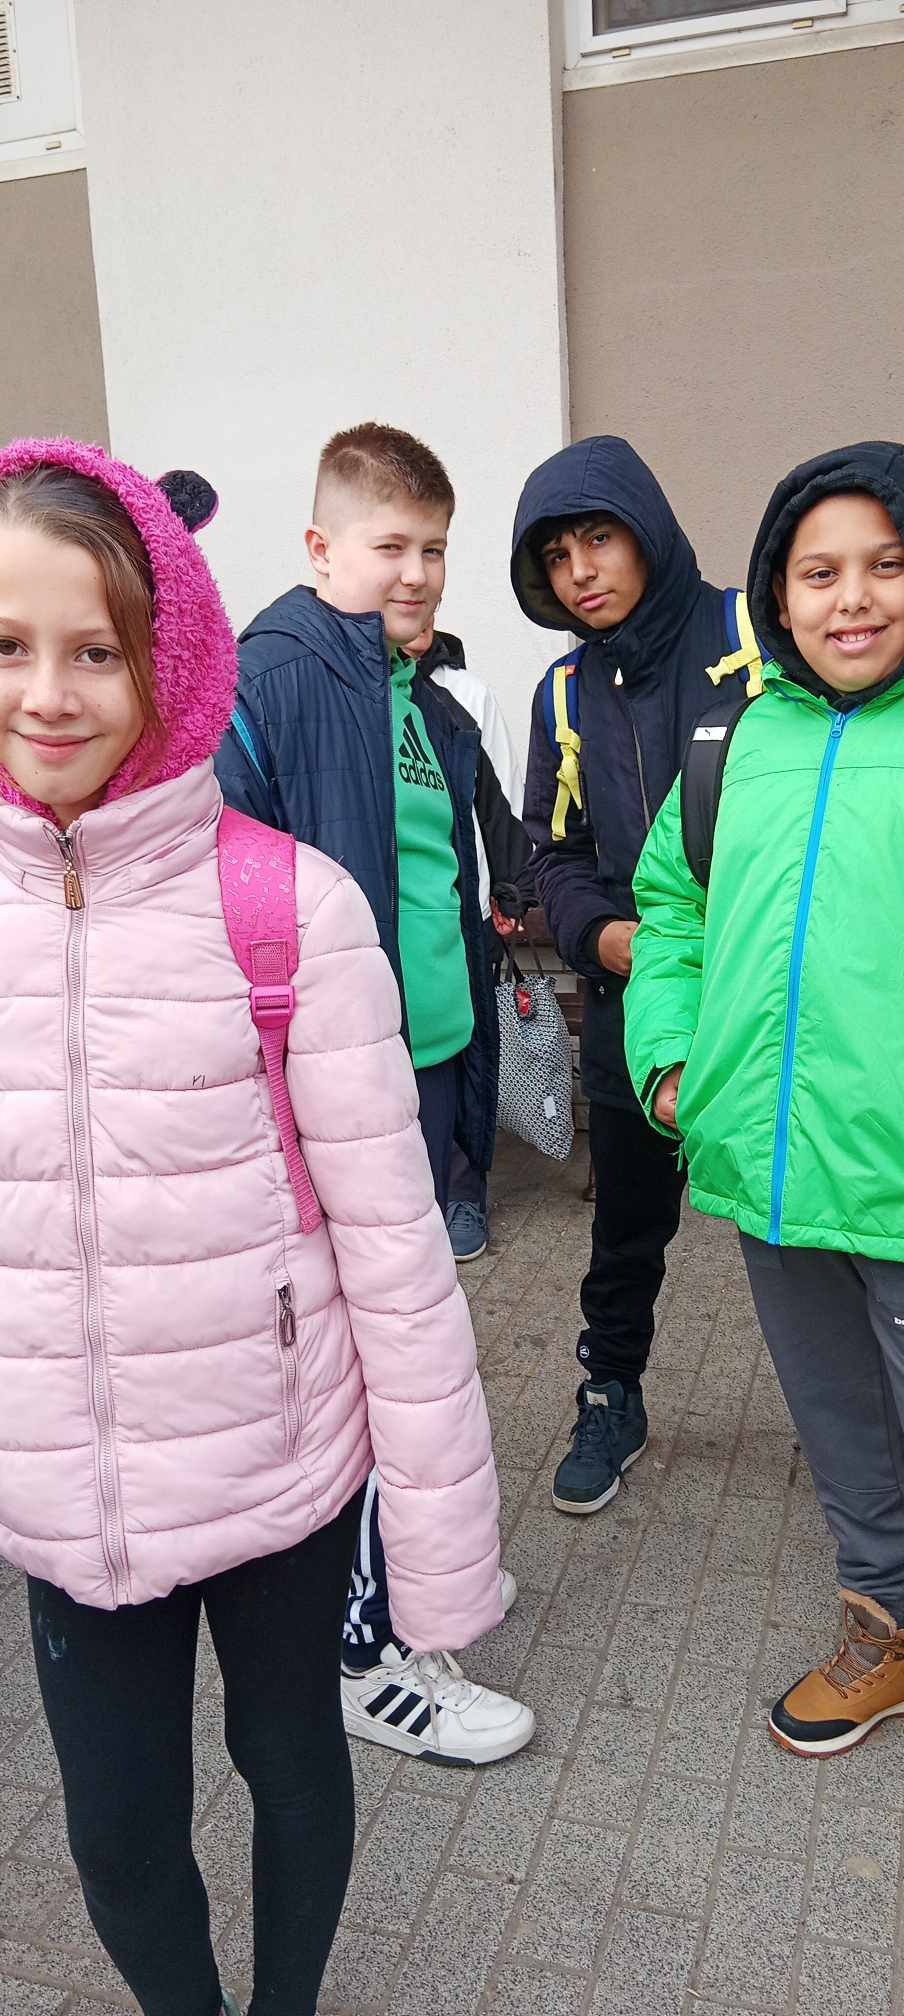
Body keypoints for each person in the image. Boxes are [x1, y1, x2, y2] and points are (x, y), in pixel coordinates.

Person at [0, 435, 507, 2016]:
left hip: (280, 1466)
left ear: (171, 658)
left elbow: (400, 1265)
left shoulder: (286, 906)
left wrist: (440, 1562)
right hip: (68, 1499)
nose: (49, 695)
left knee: (293, 1766)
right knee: (117, 1837)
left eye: (98, 650)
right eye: (8, 646)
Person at [215, 421, 534, 1765]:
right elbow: (218, 895)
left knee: (408, 1356)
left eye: (433, 549)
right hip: (330, 1100)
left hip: (425, 1075)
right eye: (389, 545)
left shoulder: (420, 697)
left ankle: (402, 1576)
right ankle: (364, 1652)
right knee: (355, 1367)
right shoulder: (277, 676)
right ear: (320, 547)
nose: (415, 572)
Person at [625, 441, 904, 1759]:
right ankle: (881, 1628)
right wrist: (672, 1066)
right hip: (772, 1174)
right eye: (819, 572)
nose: (853, 598)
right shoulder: (733, 741)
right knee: (841, 1425)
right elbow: (671, 911)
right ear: (776, 596)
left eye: (886, 565)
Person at [513, 435, 757, 1518]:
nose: (581, 572)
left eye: (598, 539)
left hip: (768, 1001)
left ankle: (866, 1421)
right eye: (556, 556)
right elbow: (551, 851)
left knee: (814, 1233)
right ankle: (611, 1391)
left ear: (646, 530)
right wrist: (602, 938)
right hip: (632, 1013)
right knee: (625, 1234)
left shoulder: (754, 635)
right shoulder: (564, 693)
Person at [407, 613, 531, 1261]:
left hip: (466, 915)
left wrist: (508, 888)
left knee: (465, 1056)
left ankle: (463, 1192)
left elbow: (502, 797)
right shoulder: (353, 697)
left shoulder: (466, 695)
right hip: (390, 916)